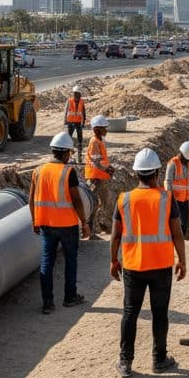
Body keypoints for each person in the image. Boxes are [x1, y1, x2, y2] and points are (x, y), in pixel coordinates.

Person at [111, 148, 187, 378]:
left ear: (137, 173)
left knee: (130, 313)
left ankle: (125, 362)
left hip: (133, 266)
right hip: (161, 266)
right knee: (160, 313)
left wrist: (114, 261)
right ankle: (159, 359)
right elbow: (177, 233)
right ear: (156, 172)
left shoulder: (124, 199)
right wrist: (182, 261)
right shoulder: (166, 198)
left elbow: (115, 235)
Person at [31, 132, 92, 315]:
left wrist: (35, 220)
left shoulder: (38, 170)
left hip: (46, 225)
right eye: (70, 153)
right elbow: (76, 200)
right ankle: (70, 297)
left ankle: (47, 303)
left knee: (47, 261)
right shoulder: (68, 171)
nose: (70, 156)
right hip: (67, 225)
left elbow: (31, 198)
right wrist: (85, 222)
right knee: (70, 261)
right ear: (65, 153)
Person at [84, 115, 115, 234]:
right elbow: (96, 160)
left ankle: (105, 224)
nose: (106, 130)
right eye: (103, 128)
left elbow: (101, 160)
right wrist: (108, 168)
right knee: (92, 203)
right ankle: (88, 229)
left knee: (106, 201)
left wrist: (108, 168)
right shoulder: (94, 142)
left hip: (101, 177)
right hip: (95, 178)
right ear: (96, 129)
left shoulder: (100, 140)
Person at [164, 141, 189, 236]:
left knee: (184, 224)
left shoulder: (188, 164)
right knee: (176, 224)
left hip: (184, 199)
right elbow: (167, 181)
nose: (188, 161)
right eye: (187, 158)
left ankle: (182, 240)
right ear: (182, 154)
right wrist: (169, 198)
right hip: (175, 200)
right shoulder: (173, 164)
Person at [65, 85, 87, 159]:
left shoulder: (82, 101)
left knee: (80, 137)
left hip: (78, 122)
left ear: (80, 94)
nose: (76, 95)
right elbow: (66, 111)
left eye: (77, 93)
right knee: (69, 137)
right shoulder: (69, 100)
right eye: (75, 93)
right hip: (70, 122)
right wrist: (65, 122)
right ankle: (68, 151)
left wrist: (83, 121)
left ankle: (80, 151)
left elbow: (83, 111)